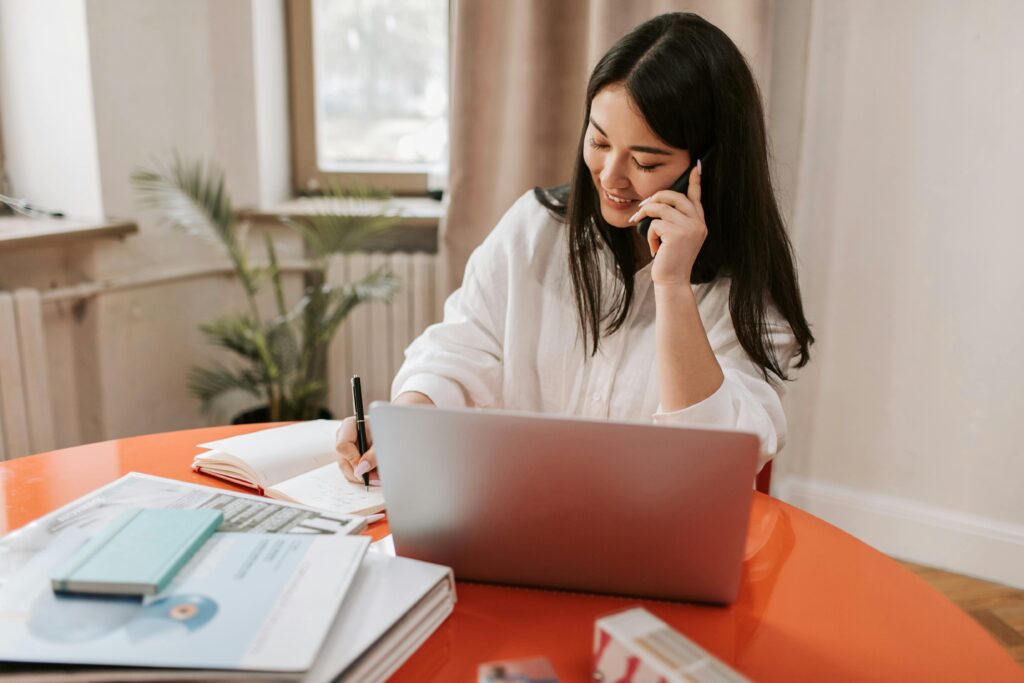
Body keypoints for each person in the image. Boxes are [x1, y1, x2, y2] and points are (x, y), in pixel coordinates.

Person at [337, 12, 814, 484]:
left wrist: (672, 288)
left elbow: (714, 460)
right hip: (515, 518)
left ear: (707, 167)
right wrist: (406, 422)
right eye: (599, 141)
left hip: (653, 542)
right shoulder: (535, 228)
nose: (609, 176)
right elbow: (460, 349)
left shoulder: (749, 290)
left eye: (645, 161)